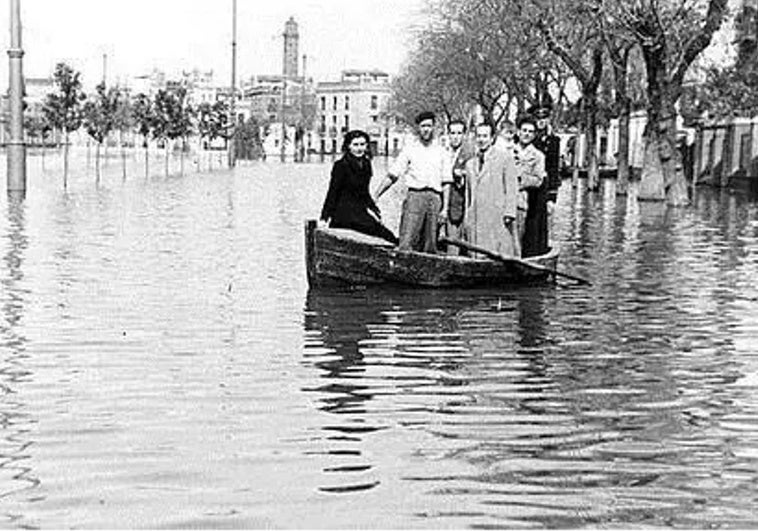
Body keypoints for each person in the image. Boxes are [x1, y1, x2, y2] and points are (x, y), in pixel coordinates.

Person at [374, 111, 452, 253]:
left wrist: (445, 209)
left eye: (429, 126)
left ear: (434, 127)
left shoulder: (442, 152)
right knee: (407, 238)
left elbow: (446, 182)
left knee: (431, 242)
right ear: (418, 128)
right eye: (423, 126)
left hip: (435, 199)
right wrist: (376, 195)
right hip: (415, 196)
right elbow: (393, 175)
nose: (426, 129)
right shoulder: (410, 150)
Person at [320, 129, 398, 244]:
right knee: (373, 233)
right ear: (348, 146)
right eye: (355, 145)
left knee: (388, 236)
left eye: (362, 144)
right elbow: (332, 192)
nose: (359, 148)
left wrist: (375, 211)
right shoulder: (341, 166)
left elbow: (364, 192)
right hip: (343, 213)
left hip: (359, 212)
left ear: (367, 146)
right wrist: (324, 218)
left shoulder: (366, 164)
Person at [464, 120, 520, 257]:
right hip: (476, 215)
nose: (481, 140)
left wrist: (509, 212)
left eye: (485, 136)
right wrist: (468, 212)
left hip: (496, 213)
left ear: (492, 138)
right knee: (476, 249)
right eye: (479, 136)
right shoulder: (470, 164)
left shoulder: (505, 158)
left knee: (498, 248)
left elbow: (511, 188)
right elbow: (468, 193)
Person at [524, 102, 562, 257]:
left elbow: (553, 169)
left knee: (540, 220)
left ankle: (538, 252)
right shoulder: (528, 138)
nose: (541, 121)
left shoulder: (554, 141)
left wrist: (552, 197)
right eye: (538, 118)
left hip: (543, 187)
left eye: (544, 117)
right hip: (527, 183)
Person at [513, 114, 546, 249]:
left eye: (530, 132)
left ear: (534, 135)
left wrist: (519, 179)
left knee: (518, 236)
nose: (526, 134)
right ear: (518, 131)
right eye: (524, 130)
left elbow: (538, 180)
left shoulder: (538, 156)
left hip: (520, 200)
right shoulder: (507, 151)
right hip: (502, 199)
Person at [443, 119, 473, 254]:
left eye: (459, 133)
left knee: (457, 243)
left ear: (464, 135)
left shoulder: (469, 155)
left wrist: (463, 174)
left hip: (460, 205)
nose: (455, 137)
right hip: (443, 203)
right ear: (448, 134)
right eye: (452, 133)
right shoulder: (443, 152)